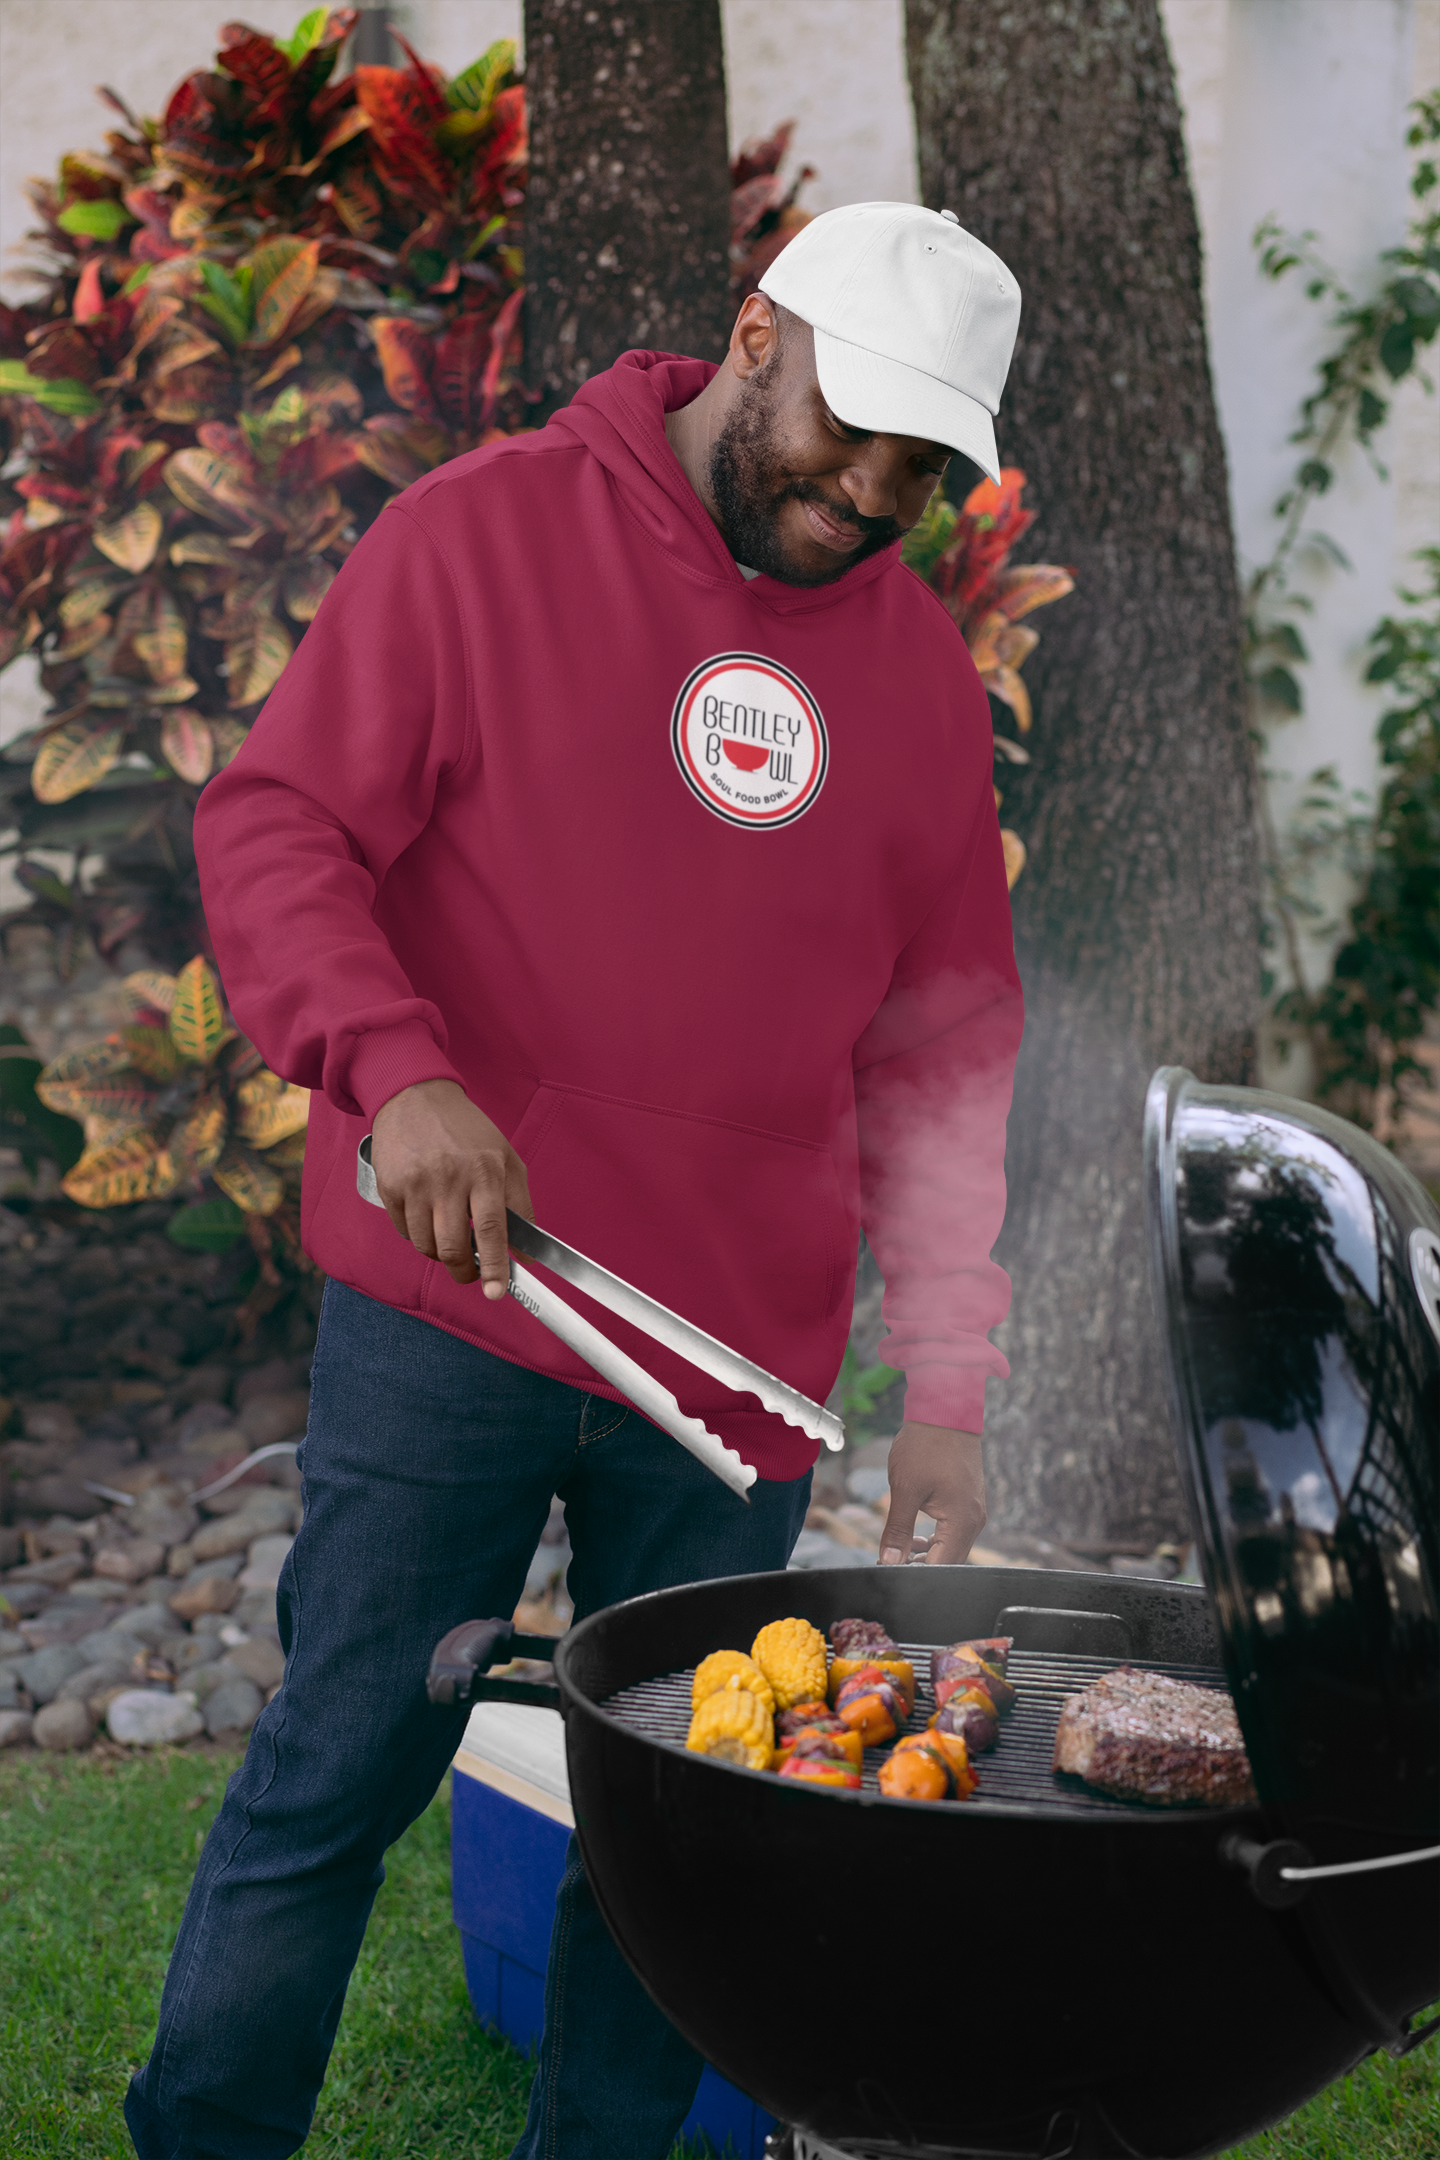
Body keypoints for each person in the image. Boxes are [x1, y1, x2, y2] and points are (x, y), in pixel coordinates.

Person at [125, 200, 1025, 2160]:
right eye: (854, 428)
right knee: (342, 1765)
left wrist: (945, 1384)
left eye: (927, 466)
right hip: (465, 1308)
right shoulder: (488, 536)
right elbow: (274, 826)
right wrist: (397, 1076)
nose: (875, 490)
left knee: (677, 1834)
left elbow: (947, 1052)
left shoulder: (925, 691)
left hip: (733, 1375)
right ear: (756, 337)